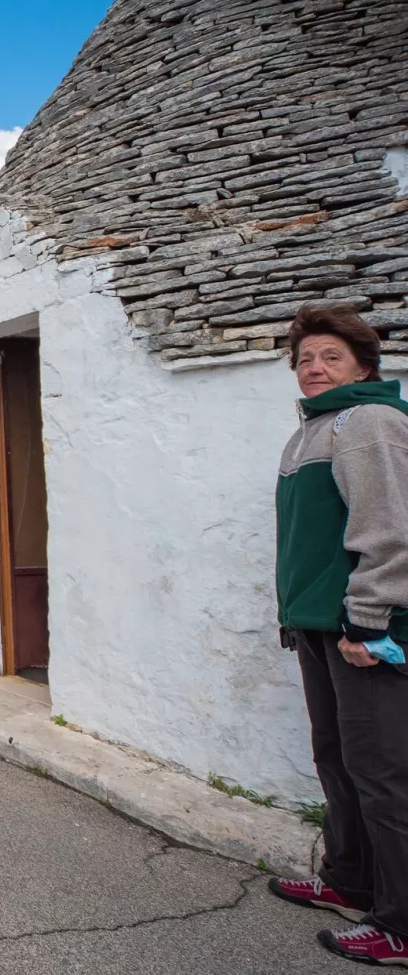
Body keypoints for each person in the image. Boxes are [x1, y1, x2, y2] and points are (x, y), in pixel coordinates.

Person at [267, 304, 408, 966]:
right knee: (337, 758)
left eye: (330, 357)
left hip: (361, 630)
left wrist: (365, 619)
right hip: (321, 628)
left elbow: (391, 533)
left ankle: (400, 923)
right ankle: (348, 878)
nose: (315, 368)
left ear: (363, 366)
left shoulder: (367, 421)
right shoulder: (311, 432)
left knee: (383, 774)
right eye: (305, 360)